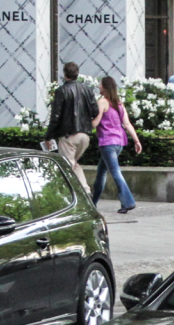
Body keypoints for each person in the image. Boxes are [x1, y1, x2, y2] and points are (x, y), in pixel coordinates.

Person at [46, 62, 99, 193]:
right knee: (73, 164)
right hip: (85, 135)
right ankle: (86, 191)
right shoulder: (87, 89)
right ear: (77, 73)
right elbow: (95, 111)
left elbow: (55, 116)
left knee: (66, 168)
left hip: (69, 135)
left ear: (64, 74)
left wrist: (48, 137)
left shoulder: (61, 91)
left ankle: (66, 197)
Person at [92, 76, 142, 214]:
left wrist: (82, 125)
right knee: (101, 172)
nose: (98, 86)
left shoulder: (102, 102)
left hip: (107, 143)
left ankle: (128, 201)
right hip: (119, 142)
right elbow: (127, 124)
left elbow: (95, 123)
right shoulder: (119, 104)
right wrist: (137, 141)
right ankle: (92, 203)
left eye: (100, 84)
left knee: (115, 172)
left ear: (106, 87)